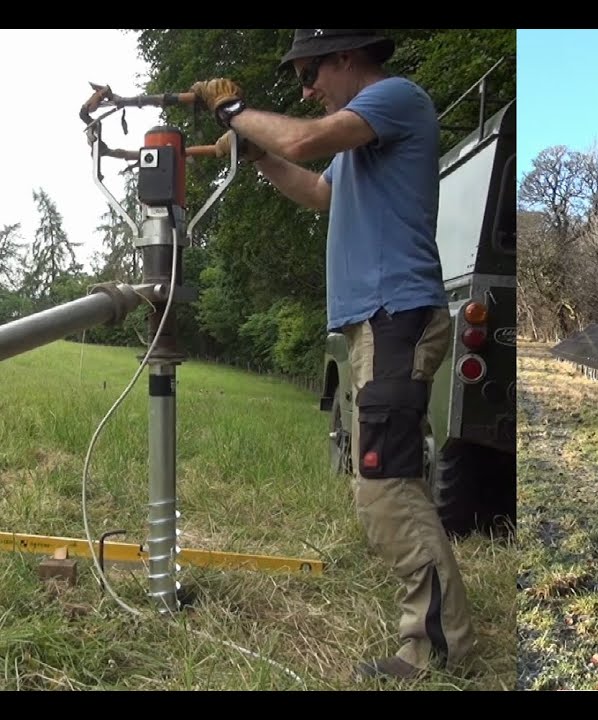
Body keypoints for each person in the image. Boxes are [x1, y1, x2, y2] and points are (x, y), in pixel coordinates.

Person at [187, 29, 477, 682]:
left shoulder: (396, 98)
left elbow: (303, 138)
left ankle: (436, 646)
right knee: (386, 478)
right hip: (375, 323)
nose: (306, 89)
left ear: (347, 58)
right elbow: (321, 191)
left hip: (394, 316)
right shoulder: (360, 137)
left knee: (383, 485)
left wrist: (235, 113)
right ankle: (440, 630)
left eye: (311, 73)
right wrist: (259, 156)